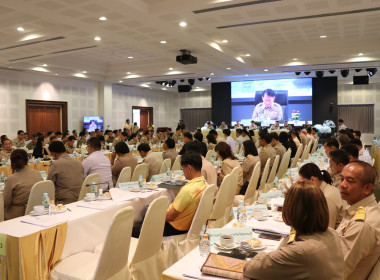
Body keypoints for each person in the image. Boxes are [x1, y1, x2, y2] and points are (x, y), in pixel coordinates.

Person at [243, 181, 344, 280]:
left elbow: (249, 269)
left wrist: (267, 254)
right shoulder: (332, 233)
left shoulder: (300, 251)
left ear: (290, 209)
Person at [337, 161, 380, 280]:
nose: (342, 185)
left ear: (367, 188)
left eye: (350, 181)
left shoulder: (362, 225)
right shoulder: (357, 208)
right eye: (342, 179)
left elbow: (337, 272)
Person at [298, 163, 344, 229]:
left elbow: (327, 230)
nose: (301, 186)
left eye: (302, 183)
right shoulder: (322, 190)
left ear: (312, 180)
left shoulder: (327, 198)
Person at [3, 150, 43, 220]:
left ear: (11, 161)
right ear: (27, 160)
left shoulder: (11, 179)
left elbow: (5, 202)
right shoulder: (37, 173)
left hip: (17, 215)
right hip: (36, 211)